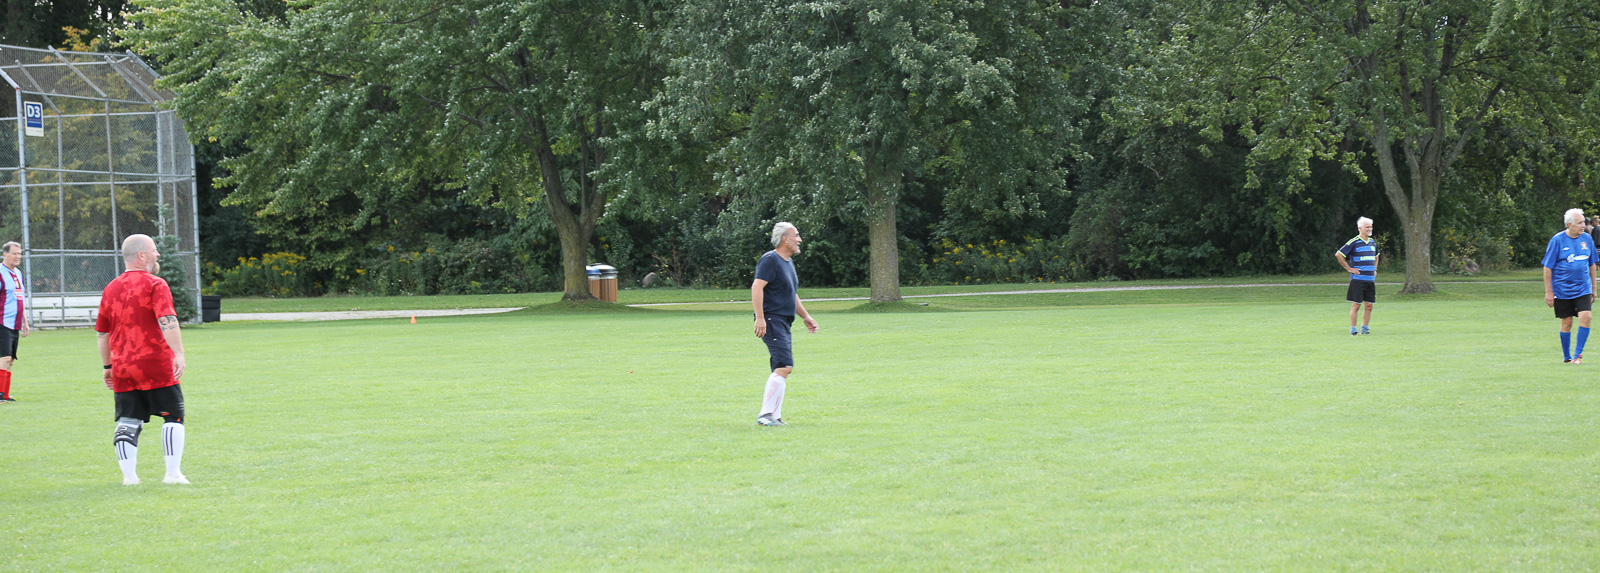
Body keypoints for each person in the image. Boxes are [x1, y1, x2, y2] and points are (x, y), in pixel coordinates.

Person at [96, 234, 189, 485]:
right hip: (155, 362)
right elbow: (167, 320)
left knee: (127, 419)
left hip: (123, 366)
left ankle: (130, 478)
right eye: (154, 250)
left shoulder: (110, 288)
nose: (157, 254)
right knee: (173, 415)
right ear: (141, 255)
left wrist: (108, 366)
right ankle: (172, 474)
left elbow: (102, 334)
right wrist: (179, 353)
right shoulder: (155, 284)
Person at [751, 222, 818, 426]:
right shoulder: (770, 260)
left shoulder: (788, 262)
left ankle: (775, 416)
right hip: (772, 319)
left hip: (783, 321)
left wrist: (806, 316)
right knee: (784, 365)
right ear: (785, 239)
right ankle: (765, 415)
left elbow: (791, 293)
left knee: (782, 367)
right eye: (796, 235)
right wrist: (760, 317)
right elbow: (757, 287)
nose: (800, 240)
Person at [1543, 209, 1598, 364]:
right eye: (1579, 223)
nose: (1583, 225)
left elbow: (1592, 264)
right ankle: (1567, 357)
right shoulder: (1557, 240)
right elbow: (1547, 267)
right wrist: (1549, 291)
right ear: (1569, 225)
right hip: (1562, 289)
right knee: (1567, 322)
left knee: (1586, 317)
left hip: (1583, 288)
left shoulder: (1587, 239)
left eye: (1583, 222)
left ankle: (1578, 355)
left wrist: (1594, 288)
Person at [1335, 217, 1379, 335]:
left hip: (1370, 280)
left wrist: (1375, 269)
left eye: (1371, 227)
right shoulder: (1354, 242)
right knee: (1356, 304)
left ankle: (1365, 327)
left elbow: (1376, 256)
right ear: (1360, 228)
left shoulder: (1372, 242)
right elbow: (1339, 254)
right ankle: (1353, 328)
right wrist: (1349, 269)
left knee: (1369, 305)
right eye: (1367, 227)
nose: (1370, 229)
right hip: (1358, 279)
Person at [0, 241, 29, 402]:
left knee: (10, 359)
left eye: (19, 254)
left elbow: (20, 299)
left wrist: (25, 321)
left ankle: (5, 395)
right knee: (4, 358)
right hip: (2, 322)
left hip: (15, 323)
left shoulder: (18, 273)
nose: (18, 257)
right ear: (5, 254)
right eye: (14, 254)